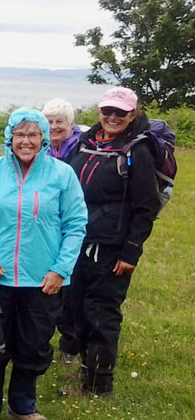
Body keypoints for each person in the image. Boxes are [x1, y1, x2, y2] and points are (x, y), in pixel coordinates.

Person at [0, 108, 87, 420]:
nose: (26, 141)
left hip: (43, 280)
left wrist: (61, 269)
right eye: (20, 135)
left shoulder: (62, 174)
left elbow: (75, 225)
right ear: (10, 137)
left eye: (33, 135)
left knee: (32, 345)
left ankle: (22, 406)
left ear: (44, 138)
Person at [67, 87, 161, 396]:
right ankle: (85, 373)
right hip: (78, 241)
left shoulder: (139, 150)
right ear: (99, 111)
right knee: (76, 309)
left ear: (132, 114)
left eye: (120, 112)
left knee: (102, 313)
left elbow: (147, 206)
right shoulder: (85, 143)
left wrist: (131, 252)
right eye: (108, 110)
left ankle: (99, 386)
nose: (112, 117)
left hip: (111, 248)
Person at [41, 98, 83, 364]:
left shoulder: (81, 149)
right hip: (45, 226)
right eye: (49, 122)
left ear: (71, 124)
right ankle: (42, 338)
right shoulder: (40, 149)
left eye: (59, 122)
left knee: (72, 285)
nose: (54, 127)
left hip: (71, 222)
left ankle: (71, 343)